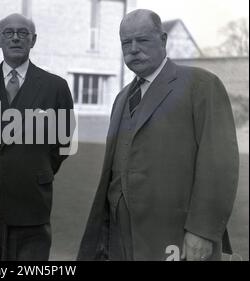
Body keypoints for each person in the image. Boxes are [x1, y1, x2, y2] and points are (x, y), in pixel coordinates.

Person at [77, 9, 239, 261]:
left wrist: (203, 232)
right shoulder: (121, 98)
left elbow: (220, 165)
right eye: (125, 43)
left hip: (173, 237)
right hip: (118, 238)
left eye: (142, 40)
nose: (132, 49)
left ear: (162, 40)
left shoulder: (201, 85)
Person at [0, 13, 74, 261]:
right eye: (8, 33)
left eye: (23, 33)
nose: (16, 38)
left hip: (31, 201)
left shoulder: (55, 87)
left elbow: (65, 142)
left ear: (33, 40)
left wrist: (36, 168)